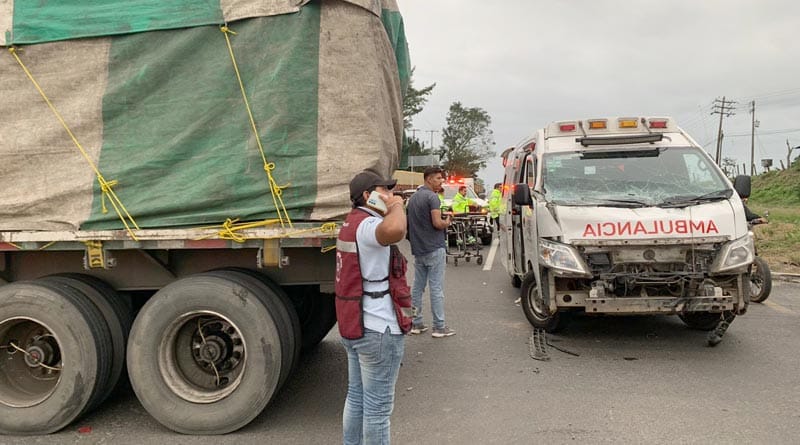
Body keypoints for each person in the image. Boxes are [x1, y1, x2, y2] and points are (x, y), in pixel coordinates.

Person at [335, 170, 413, 444]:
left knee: (357, 397)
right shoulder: (368, 225)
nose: (391, 194)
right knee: (377, 410)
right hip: (378, 328)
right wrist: (396, 205)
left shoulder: (351, 222)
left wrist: (389, 205)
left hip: (356, 323)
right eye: (385, 190)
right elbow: (396, 230)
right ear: (368, 196)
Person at [406, 166, 456, 338]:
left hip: (419, 249)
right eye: (438, 178)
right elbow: (437, 223)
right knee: (436, 288)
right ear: (428, 179)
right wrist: (447, 220)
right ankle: (439, 326)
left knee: (417, 287)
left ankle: (416, 322)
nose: (441, 181)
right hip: (434, 247)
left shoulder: (413, 198)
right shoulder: (432, 197)